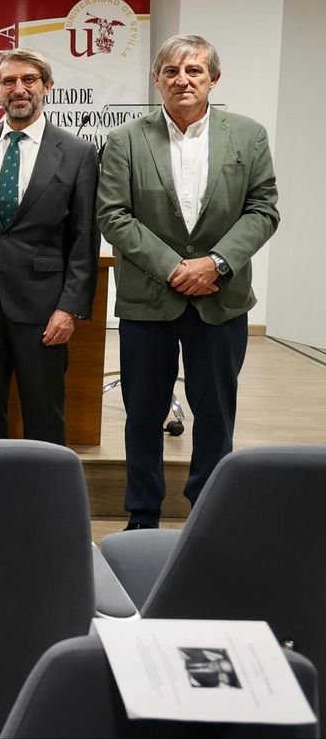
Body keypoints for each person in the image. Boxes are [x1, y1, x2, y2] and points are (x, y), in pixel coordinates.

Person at [97, 34, 279, 530]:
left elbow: (264, 210)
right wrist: (175, 267)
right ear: (156, 79)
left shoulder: (249, 135)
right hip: (147, 301)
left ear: (213, 80)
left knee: (216, 413)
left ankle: (209, 516)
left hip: (222, 299)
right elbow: (112, 215)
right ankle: (143, 513)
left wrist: (216, 262)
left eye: (194, 71)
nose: (183, 80)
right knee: (143, 414)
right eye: (172, 71)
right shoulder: (125, 140)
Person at [0, 48, 100, 446]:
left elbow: (84, 239)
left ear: (47, 86)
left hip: (43, 310)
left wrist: (69, 308)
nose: (18, 89)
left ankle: (45, 503)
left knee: (44, 416)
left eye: (29, 80)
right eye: (8, 81)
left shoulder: (77, 153)